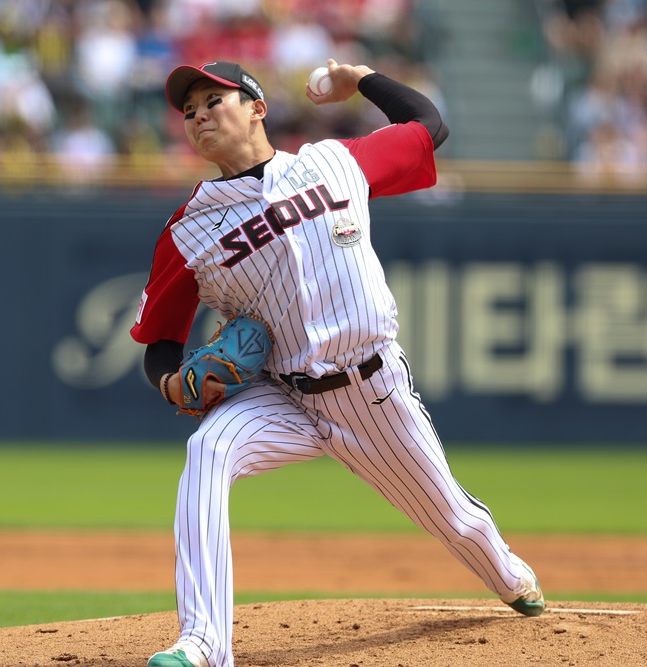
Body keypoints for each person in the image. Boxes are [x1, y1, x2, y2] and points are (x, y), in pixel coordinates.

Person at [129, 58, 545, 667]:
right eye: (188, 112)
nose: (198, 117)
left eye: (212, 101)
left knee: (454, 521)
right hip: (281, 394)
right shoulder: (188, 230)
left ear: (256, 106)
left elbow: (429, 125)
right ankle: (204, 644)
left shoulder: (333, 163)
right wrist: (172, 382)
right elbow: (159, 342)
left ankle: (508, 574)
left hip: (372, 391)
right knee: (208, 451)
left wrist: (362, 79)